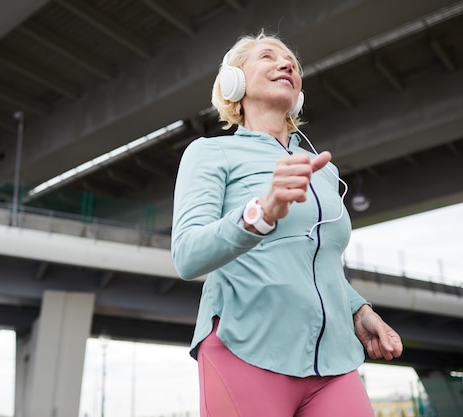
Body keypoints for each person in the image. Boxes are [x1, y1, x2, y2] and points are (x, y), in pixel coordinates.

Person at [171, 30, 403, 417]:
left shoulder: (324, 174)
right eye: (267, 57)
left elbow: (317, 261)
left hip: (334, 362)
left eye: (292, 63)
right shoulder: (211, 152)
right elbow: (187, 255)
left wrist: (360, 311)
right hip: (244, 348)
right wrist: (261, 212)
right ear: (234, 82)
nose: (286, 64)